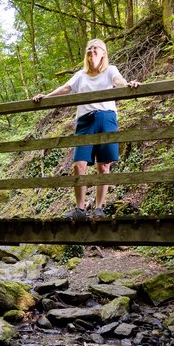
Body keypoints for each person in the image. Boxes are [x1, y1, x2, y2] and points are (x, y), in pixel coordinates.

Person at [32, 38, 140, 220]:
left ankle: (99, 208)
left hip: (106, 118)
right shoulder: (80, 75)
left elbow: (118, 80)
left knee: (103, 165)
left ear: (103, 53)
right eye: (89, 48)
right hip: (85, 121)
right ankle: (80, 209)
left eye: (96, 48)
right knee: (79, 165)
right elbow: (66, 88)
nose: (92, 51)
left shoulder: (110, 70)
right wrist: (46, 96)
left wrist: (128, 84)